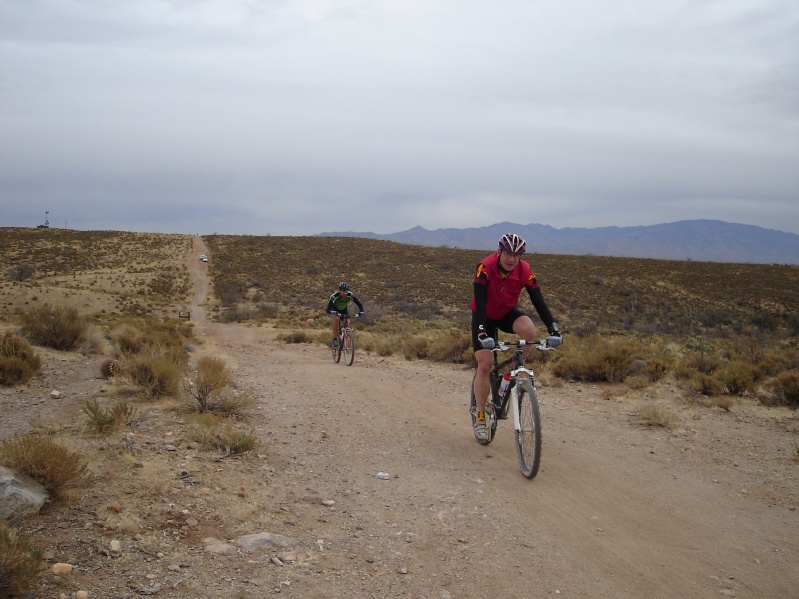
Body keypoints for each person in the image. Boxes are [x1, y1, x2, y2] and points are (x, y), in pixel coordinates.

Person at [469, 233, 562, 442]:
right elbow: (480, 300)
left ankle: (513, 371)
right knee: (484, 365)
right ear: (500, 252)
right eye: (508, 254)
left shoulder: (525, 271)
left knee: (529, 330)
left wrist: (553, 328)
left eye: (517, 255)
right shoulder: (485, 267)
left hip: (505, 313)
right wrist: (483, 331)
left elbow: (538, 300)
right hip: (484, 316)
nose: (512, 259)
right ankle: (481, 416)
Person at [326, 282, 365, 347]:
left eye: (346, 291)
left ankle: (344, 341)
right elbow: (328, 309)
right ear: (339, 290)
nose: (345, 293)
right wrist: (332, 312)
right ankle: (335, 339)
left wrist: (361, 311)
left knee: (347, 322)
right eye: (343, 291)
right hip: (335, 309)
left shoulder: (350, 295)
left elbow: (359, 304)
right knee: (337, 318)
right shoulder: (334, 296)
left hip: (344, 310)